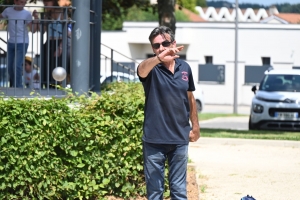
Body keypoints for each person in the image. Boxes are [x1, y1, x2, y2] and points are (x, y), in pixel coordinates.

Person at [137, 26, 200, 199]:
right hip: (154, 140)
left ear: (174, 43)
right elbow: (141, 69)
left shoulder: (185, 68)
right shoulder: (151, 69)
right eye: (156, 46)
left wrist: (195, 126)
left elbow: (190, 97)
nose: (161, 48)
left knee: (179, 191)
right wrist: (158, 58)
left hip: (179, 138)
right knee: (155, 193)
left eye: (165, 43)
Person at [0, 0, 39, 88]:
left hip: (22, 42)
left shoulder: (27, 14)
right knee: (10, 67)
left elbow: (33, 30)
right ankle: (14, 85)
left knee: (17, 65)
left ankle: (18, 87)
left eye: (24, 2)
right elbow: (1, 17)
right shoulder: (8, 10)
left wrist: (36, 18)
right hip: (11, 42)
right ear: (15, 1)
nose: (23, 4)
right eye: (21, 2)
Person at [40, 0, 71, 88]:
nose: (45, 4)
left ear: (53, 2)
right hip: (49, 41)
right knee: (47, 64)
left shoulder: (61, 12)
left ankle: (59, 85)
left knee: (58, 65)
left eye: (47, 2)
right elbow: (44, 31)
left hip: (60, 41)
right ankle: (48, 85)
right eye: (44, 3)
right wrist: (39, 20)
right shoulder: (47, 14)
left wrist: (60, 47)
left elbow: (66, 32)